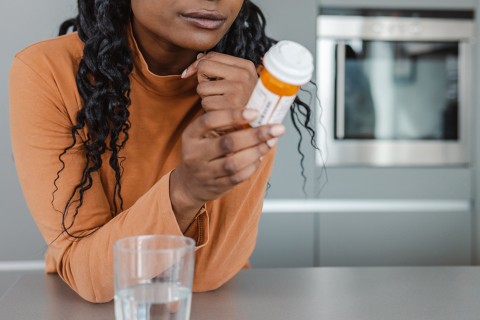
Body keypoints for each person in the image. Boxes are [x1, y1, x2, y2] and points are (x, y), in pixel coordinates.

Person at [9, 0, 315, 303]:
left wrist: (245, 123)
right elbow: (90, 274)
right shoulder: (48, 72)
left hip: (212, 306)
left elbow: (207, 274)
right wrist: (184, 192)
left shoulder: (255, 87)